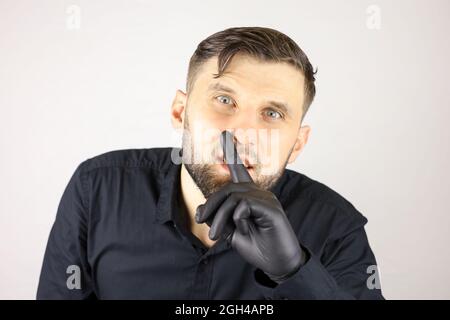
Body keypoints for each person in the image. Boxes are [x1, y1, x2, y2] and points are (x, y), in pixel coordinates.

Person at [37, 27, 384, 299]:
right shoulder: (96, 190)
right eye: (224, 99)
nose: (243, 132)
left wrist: (295, 272)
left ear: (297, 143)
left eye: (273, 112)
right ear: (180, 111)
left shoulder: (338, 226)